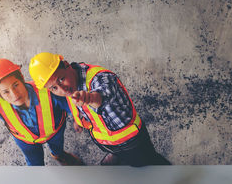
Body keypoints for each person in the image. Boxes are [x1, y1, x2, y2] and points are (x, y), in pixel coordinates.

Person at [29, 52, 171, 166]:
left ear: (66, 65)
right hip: (107, 141)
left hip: (131, 142)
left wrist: (89, 98)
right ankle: (116, 154)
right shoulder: (69, 85)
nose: (62, 89)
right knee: (115, 160)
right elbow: (76, 104)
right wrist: (78, 120)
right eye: (54, 88)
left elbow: (103, 94)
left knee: (149, 166)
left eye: (61, 79)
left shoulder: (100, 77)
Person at [0, 58, 83, 166]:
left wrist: (78, 118)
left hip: (55, 133)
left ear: (21, 78)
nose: (14, 94)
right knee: (35, 164)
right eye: (6, 92)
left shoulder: (46, 88)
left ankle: (59, 155)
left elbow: (71, 104)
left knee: (57, 148)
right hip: (26, 141)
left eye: (16, 85)